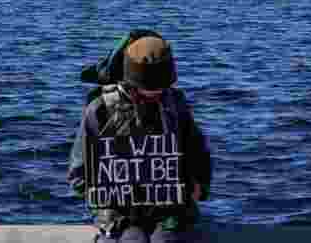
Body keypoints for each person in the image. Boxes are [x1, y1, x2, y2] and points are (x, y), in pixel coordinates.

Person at [68, 33, 211, 242]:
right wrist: (103, 193)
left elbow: (198, 154)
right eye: (147, 90)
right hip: (119, 212)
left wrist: (198, 186)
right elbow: (78, 175)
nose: (156, 94)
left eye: (161, 88)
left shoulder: (176, 105)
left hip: (170, 210)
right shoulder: (100, 110)